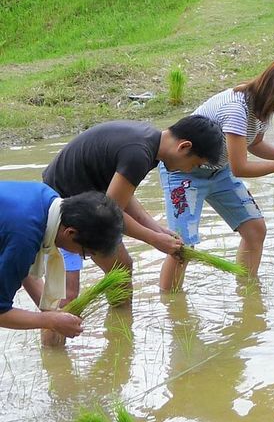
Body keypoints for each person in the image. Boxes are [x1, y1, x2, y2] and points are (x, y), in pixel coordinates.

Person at [35, 116, 223, 303]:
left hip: (78, 198)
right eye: (195, 164)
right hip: (64, 207)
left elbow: (122, 197)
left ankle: (119, 328)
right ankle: (119, 328)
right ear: (184, 147)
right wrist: (153, 239)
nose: (190, 171)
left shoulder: (148, 141)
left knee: (119, 269)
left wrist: (158, 230)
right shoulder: (139, 154)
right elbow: (109, 214)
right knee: (115, 272)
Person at [158, 60, 274, 291]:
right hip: (184, 172)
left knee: (255, 229)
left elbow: (254, 143)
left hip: (218, 171)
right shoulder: (237, 109)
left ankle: (246, 293)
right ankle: (171, 307)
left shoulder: (261, 110)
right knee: (181, 246)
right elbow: (240, 167)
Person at [0, 182, 122, 341]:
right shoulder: (24, 238)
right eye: (84, 253)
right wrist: (50, 320)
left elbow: (22, 268)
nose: (79, 257)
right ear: (70, 232)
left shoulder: (48, 200)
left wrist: (51, 311)